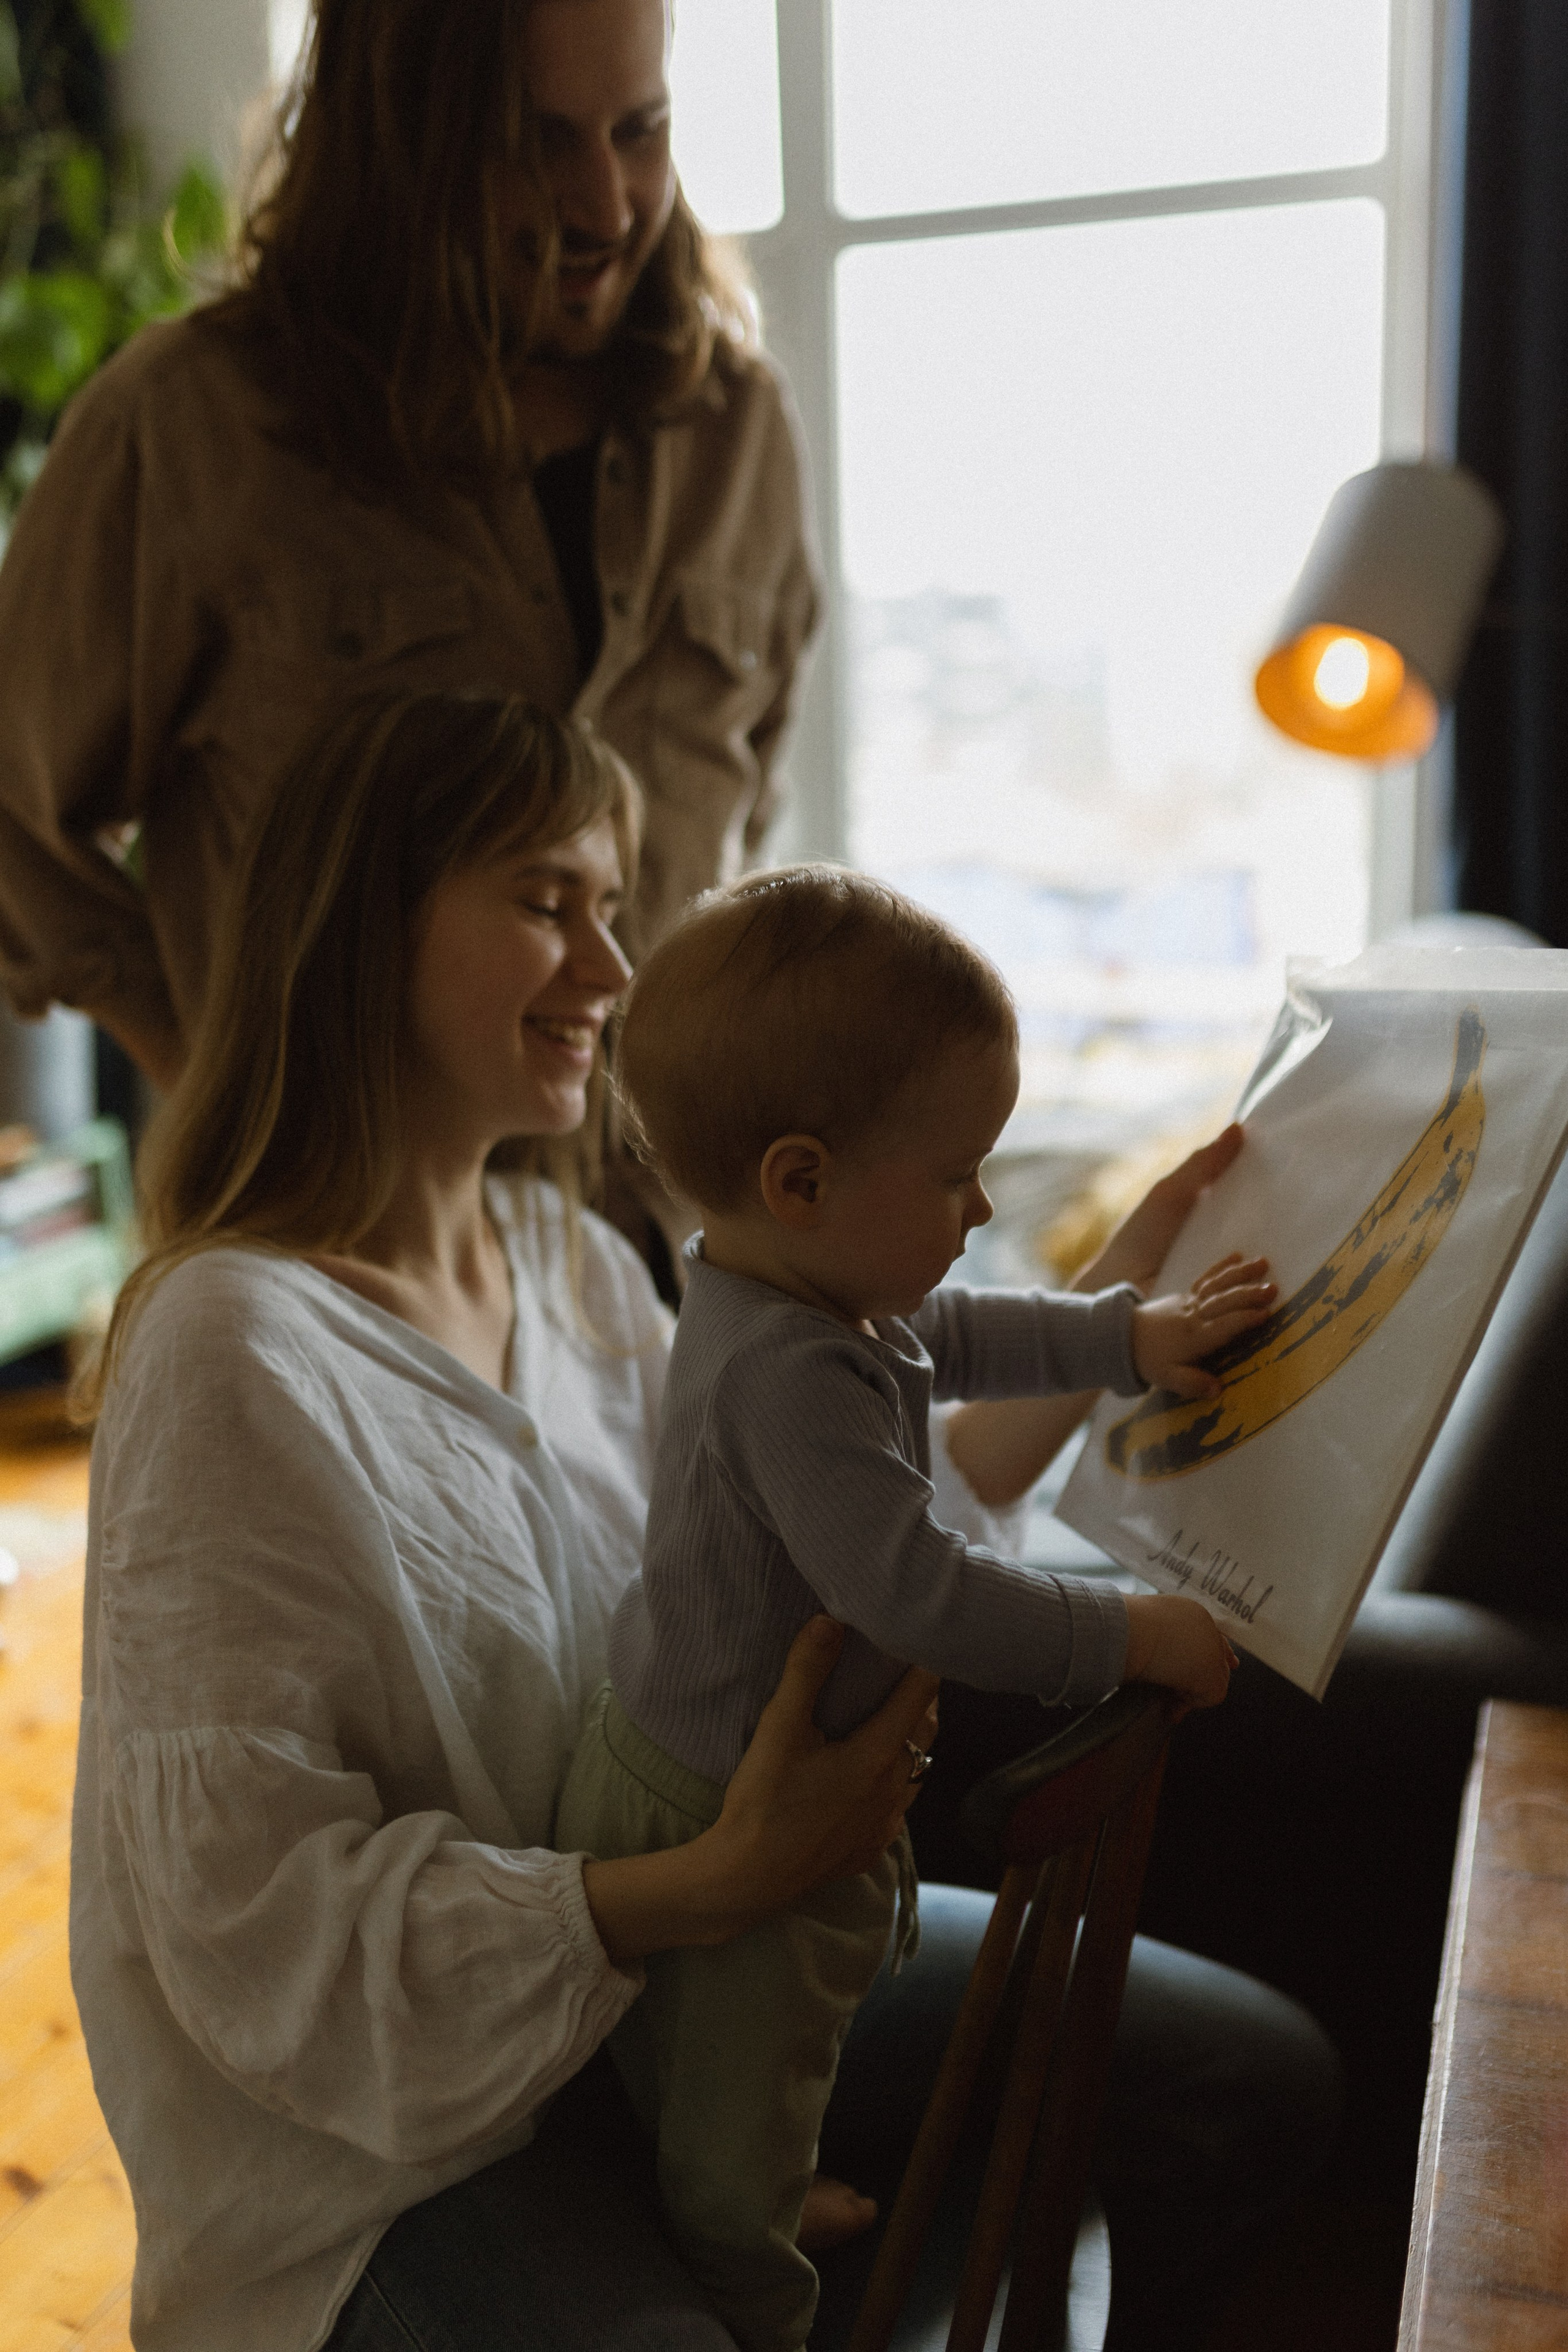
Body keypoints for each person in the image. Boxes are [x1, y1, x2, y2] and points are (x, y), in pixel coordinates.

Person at [73, 690, 1338, 2352]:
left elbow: (851, 1533)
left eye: (610, 904)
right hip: (394, 2159)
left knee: (1249, 2091)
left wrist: (1114, 1316)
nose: (609, 965)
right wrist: (717, 1877)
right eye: (545, 903)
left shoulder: (585, 1267)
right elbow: (259, 1945)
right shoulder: (231, 1351)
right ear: (359, 930)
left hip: (673, 1988)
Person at [556, 869, 1275, 2350]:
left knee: (755, 2058)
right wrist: (1128, 1634)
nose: (986, 1203)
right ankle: (743, 2273)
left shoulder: (797, 1291)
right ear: (800, 1180)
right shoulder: (783, 1373)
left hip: (697, 1757)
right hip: (714, 1804)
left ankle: (755, 2175)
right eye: (956, 1176)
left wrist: (1123, 1336)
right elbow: (920, 1592)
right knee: (741, 2069)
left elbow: (952, 1330)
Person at [0, 0, 817, 1139]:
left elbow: (740, 832)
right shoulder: (193, 426)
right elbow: (15, 822)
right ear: (395, 136)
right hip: (326, 1274)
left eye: (641, 130)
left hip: (657, 1256)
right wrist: (220, 1088)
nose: (607, 204)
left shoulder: (740, 432)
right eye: (537, 143)